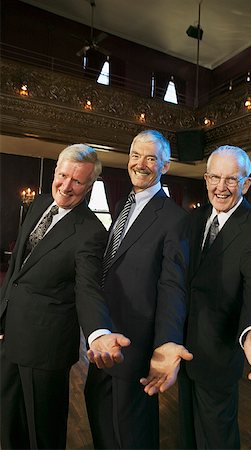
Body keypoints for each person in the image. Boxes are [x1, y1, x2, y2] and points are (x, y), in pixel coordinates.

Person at [0, 144, 130, 450]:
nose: (66, 186)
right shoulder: (40, 202)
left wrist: (98, 333)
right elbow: (19, 266)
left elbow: (87, 287)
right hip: (11, 335)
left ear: (88, 186)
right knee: (8, 422)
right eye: (62, 176)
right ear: (56, 171)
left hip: (46, 347)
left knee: (43, 433)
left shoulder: (91, 231)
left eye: (77, 181)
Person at [85, 130, 193, 450]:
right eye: (135, 155)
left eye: (150, 158)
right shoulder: (121, 204)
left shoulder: (175, 219)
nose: (140, 164)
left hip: (137, 345)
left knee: (133, 433)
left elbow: (174, 287)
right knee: (100, 416)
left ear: (165, 166)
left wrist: (166, 344)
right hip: (105, 337)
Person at [178, 145, 251, 449]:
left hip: (218, 352)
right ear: (206, 178)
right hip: (183, 347)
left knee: (216, 437)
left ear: (246, 183)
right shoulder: (193, 220)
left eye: (232, 180)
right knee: (187, 431)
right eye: (215, 178)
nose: (221, 187)